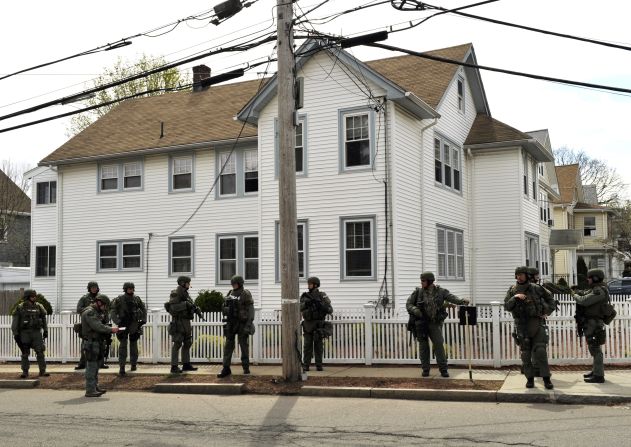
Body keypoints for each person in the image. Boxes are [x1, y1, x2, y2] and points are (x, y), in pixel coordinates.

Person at [406, 272, 469, 378]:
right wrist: (415, 310)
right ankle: (425, 369)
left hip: (434, 323)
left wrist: (462, 301)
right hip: (421, 323)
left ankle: (443, 369)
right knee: (423, 347)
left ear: (430, 281)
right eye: (421, 281)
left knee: (439, 345)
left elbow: (451, 297)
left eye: (423, 281)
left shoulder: (440, 292)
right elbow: (408, 304)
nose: (421, 283)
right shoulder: (418, 292)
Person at [505, 266, 554, 390]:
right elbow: (506, 306)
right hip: (521, 325)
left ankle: (546, 379)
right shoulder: (512, 290)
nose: (519, 277)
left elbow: (550, 300)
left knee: (541, 351)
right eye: (517, 275)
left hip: (536, 322)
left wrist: (546, 312)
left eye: (521, 274)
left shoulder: (537, 288)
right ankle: (530, 379)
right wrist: (515, 297)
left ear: (527, 275)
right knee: (526, 355)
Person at [573, 269, 610, 383]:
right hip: (591, 322)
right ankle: (596, 371)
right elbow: (585, 294)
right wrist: (577, 291)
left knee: (595, 349)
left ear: (595, 278)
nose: (588, 279)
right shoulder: (595, 289)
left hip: (594, 323)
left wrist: (574, 295)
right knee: (594, 347)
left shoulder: (599, 290)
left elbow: (584, 301)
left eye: (589, 277)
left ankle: (599, 376)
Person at [81, 295, 119, 397]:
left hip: (96, 342)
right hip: (91, 343)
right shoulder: (90, 312)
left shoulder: (97, 312)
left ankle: (94, 387)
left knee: (96, 366)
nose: (105, 308)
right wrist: (111, 329)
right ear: (99, 303)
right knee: (91, 366)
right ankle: (90, 390)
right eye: (105, 305)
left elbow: (102, 322)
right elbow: (97, 326)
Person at [217, 275, 255, 378]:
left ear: (240, 283)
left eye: (235, 284)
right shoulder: (230, 293)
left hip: (242, 323)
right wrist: (225, 309)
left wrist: (249, 323)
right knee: (228, 346)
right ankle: (226, 368)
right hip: (231, 323)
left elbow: (251, 309)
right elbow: (224, 306)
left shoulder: (245, 293)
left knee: (243, 346)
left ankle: (246, 368)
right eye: (232, 284)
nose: (234, 285)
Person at [166, 276, 203, 374]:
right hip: (178, 322)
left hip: (186, 322)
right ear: (182, 283)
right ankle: (174, 366)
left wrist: (196, 309)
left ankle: (186, 364)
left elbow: (190, 305)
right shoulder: (175, 293)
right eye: (187, 282)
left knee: (187, 343)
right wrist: (185, 305)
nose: (189, 284)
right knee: (177, 343)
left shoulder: (186, 294)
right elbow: (173, 307)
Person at [110, 282, 147, 376]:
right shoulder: (119, 299)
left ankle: (133, 364)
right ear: (125, 289)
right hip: (123, 324)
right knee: (123, 345)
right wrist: (117, 321)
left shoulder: (137, 299)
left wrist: (143, 320)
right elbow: (113, 311)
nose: (130, 290)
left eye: (132, 288)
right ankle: (122, 367)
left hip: (134, 324)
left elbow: (143, 309)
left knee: (134, 344)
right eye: (129, 288)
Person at [12, 289, 49, 379]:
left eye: (35, 296)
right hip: (25, 333)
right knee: (25, 353)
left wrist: (45, 330)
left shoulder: (39, 306)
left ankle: (42, 371)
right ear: (27, 297)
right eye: (32, 296)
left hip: (36, 333)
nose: (34, 297)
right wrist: (16, 334)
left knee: (40, 351)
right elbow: (15, 322)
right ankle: (25, 372)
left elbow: (43, 319)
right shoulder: (20, 307)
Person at [300, 276, 333, 371]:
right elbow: (299, 307)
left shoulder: (322, 295)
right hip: (308, 324)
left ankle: (319, 364)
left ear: (315, 285)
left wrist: (321, 306)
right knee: (307, 346)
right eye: (308, 284)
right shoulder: (305, 296)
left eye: (310, 284)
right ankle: (306, 365)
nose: (308, 286)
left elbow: (330, 309)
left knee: (318, 346)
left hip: (319, 324)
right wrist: (307, 304)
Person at [75, 281, 110, 370]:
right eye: (92, 287)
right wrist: (90, 309)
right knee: (86, 344)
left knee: (102, 344)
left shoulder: (101, 297)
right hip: (88, 322)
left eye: (95, 287)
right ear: (89, 288)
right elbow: (79, 309)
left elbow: (106, 309)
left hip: (100, 321)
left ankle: (101, 363)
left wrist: (105, 318)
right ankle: (82, 363)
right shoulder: (85, 298)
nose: (94, 289)